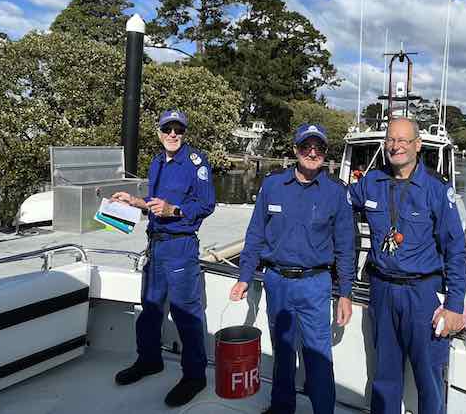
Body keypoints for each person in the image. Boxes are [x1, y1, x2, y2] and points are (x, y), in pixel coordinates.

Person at [229, 123, 355, 414]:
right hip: (277, 282)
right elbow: (255, 234)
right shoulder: (272, 185)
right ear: (295, 149)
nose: (312, 153)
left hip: (316, 284)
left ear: (325, 153)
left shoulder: (337, 193)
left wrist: (345, 293)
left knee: (318, 356)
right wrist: (244, 277)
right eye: (306, 146)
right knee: (283, 351)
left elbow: (345, 248)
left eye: (319, 148)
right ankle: (281, 407)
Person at [349, 117, 466, 414]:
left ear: (418, 145)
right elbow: (337, 205)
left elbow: (455, 248)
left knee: (429, 378)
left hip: (422, 294)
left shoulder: (436, 190)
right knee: (385, 376)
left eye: (403, 140)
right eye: (390, 139)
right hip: (382, 291)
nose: (395, 146)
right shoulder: (370, 184)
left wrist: (454, 304)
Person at [112, 109, 215, 407]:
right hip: (155, 247)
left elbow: (207, 204)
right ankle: (149, 360)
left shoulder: (196, 163)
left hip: (180, 246)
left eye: (178, 130)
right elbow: (155, 203)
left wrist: (176, 211)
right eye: (167, 129)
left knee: (186, 314)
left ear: (184, 133)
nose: (173, 134)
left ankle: (195, 377)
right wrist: (135, 202)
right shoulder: (157, 162)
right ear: (158, 132)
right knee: (151, 308)